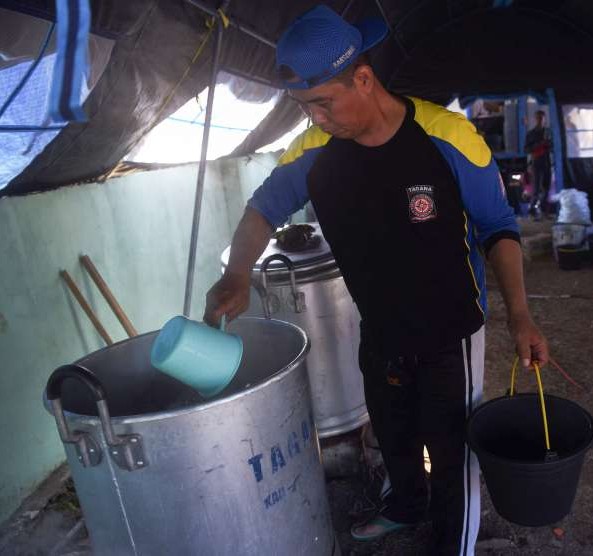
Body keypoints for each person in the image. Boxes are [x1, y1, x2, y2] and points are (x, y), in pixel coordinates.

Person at [203, 6, 549, 555]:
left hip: (450, 333)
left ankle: (453, 542)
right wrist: (236, 273)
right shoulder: (315, 154)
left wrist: (522, 316)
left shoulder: (446, 136)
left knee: (453, 447)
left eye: (322, 103)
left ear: (362, 79)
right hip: (381, 329)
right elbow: (263, 209)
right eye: (303, 107)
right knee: (392, 432)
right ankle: (405, 505)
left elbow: (499, 229)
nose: (315, 119)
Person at [524, 110, 552, 218]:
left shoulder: (548, 132)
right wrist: (539, 144)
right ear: (535, 119)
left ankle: (544, 211)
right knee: (536, 188)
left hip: (547, 161)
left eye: (542, 118)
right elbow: (526, 149)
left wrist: (549, 145)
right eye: (538, 118)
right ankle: (532, 211)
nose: (541, 120)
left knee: (546, 187)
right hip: (536, 162)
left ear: (545, 119)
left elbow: (554, 146)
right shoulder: (531, 134)